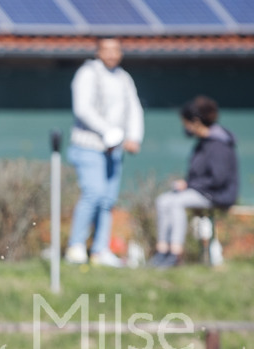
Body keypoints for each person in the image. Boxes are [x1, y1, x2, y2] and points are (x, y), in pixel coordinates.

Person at [65, 37, 144, 267]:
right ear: (98, 52)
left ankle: (100, 250)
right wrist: (108, 131)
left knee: (107, 200)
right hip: (88, 147)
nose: (111, 54)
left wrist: (133, 137)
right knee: (93, 194)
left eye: (116, 50)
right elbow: (83, 108)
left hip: (114, 149)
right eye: (106, 49)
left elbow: (134, 108)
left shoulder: (123, 77)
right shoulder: (88, 73)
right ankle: (76, 246)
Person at [150, 96, 238, 268]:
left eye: (186, 123)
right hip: (202, 191)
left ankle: (175, 254)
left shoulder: (219, 144)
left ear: (196, 122)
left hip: (218, 194)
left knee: (177, 202)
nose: (185, 127)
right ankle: (162, 252)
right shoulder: (203, 143)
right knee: (163, 201)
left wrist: (189, 186)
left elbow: (218, 179)